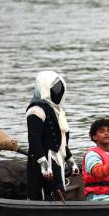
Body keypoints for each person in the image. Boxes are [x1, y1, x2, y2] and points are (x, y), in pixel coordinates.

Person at [26, 71, 79, 201]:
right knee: (42, 195)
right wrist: (43, 164)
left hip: (56, 159)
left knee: (58, 193)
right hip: (42, 160)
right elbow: (34, 139)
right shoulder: (35, 110)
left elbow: (61, 141)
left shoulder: (57, 111)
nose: (58, 92)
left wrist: (70, 160)